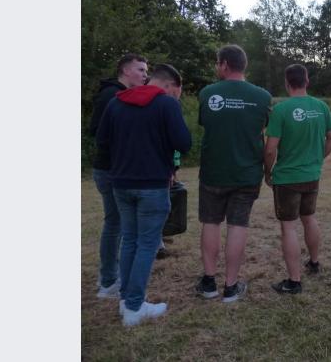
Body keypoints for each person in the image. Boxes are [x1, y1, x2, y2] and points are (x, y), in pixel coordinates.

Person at [96, 63, 191, 326]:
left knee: (129, 241)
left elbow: (102, 140)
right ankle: (135, 307)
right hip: (152, 185)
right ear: (170, 85)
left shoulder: (116, 102)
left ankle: (127, 301)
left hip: (121, 183)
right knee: (147, 244)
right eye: (177, 91)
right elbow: (184, 143)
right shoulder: (166, 105)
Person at [195, 45, 272, 303]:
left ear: (225, 64)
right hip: (247, 173)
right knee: (238, 225)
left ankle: (208, 282)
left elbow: (206, 124)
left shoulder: (208, 93)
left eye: (218, 63)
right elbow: (263, 127)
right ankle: (230, 286)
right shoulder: (262, 96)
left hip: (213, 172)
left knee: (211, 222)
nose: (217, 68)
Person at [264, 64, 331, 295]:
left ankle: (294, 281)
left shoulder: (281, 110)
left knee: (288, 227)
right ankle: (314, 263)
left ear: (287, 83)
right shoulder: (321, 106)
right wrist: (317, 159)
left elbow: (270, 150)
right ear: (307, 81)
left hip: (287, 178)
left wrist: (268, 173)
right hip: (311, 176)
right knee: (309, 218)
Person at [88, 53, 148, 299]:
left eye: (146, 70)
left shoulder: (118, 94)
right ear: (125, 70)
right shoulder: (111, 96)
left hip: (114, 169)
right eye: (140, 70)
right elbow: (98, 132)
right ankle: (109, 281)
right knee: (115, 225)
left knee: (118, 224)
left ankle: (110, 277)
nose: (145, 74)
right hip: (110, 170)